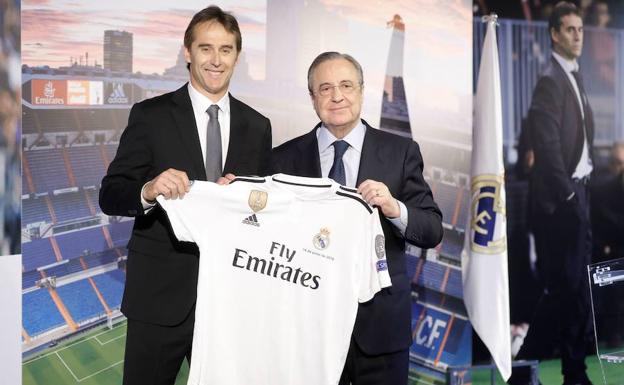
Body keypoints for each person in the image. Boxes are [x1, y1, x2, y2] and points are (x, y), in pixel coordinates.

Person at [99, 6, 272, 385]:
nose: (216, 59)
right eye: (205, 48)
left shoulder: (258, 126)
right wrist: (148, 189)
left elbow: (263, 214)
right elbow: (110, 194)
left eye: (226, 50)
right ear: (188, 52)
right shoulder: (150, 115)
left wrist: (246, 199)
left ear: (237, 57)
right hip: (159, 298)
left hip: (228, 301)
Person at [271, 51, 443, 385]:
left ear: (362, 91)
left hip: (380, 331)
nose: (337, 96)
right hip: (307, 330)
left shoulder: (400, 152)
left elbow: (433, 230)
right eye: (325, 88)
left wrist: (395, 208)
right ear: (312, 97)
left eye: (346, 85)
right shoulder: (281, 159)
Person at [510, 2, 595, 385]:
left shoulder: (573, 76)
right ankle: (522, 366)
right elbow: (547, 146)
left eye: (580, 29)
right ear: (554, 34)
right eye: (570, 29)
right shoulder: (550, 79)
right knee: (565, 290)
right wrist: (569, 198)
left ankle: (572, 372)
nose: (578, 35)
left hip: (579, 192)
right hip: (562, 201)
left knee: (575, 290)